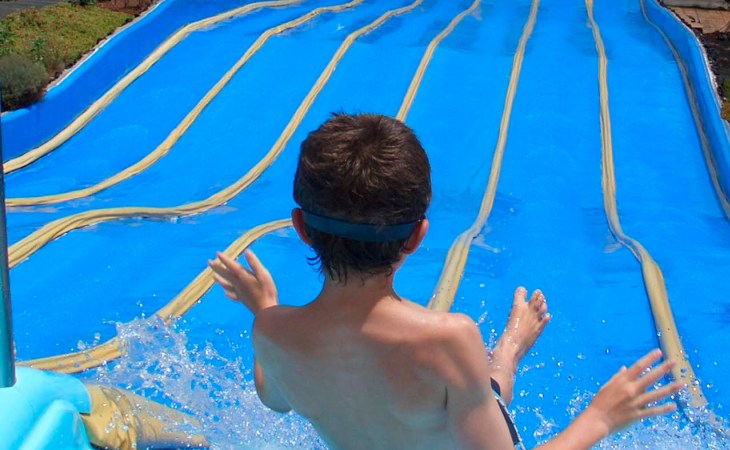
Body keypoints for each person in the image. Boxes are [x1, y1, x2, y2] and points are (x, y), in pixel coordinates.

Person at [209, 113, 682, 450]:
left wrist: (265, 307)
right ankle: (506, 358)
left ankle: (505, 357)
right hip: (461, 406)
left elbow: (274, 400)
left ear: (301, 228)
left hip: (443, 400)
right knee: (477, 395)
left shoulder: (271, 332)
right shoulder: (447, 338)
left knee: (468, 394)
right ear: (417, 237)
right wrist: (602, 416)